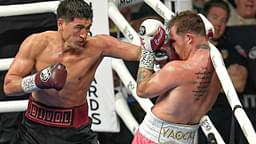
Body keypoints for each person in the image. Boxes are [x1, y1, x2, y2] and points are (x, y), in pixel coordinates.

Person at [3, 0, 168, 143]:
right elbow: (9, 86)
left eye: (88, 28)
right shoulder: (36, 44)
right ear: (61, 24)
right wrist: (38, 81)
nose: (84, 35)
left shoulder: (98, 46)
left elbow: (141, 53)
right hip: (34, 129)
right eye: (78, 28)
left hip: (76, 132)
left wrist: (155, 46)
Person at [132, 10, 221, 144]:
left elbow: (142, 90)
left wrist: (147, 51)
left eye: (173, 41)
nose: (173, 46)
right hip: (186, 139)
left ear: (189, 38)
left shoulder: (178, 69)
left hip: (153, 138)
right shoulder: (218, 67)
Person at [197, 0, 248, 143]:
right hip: (191, 115)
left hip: (221, 114)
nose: (219, 24)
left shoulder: (231, 48)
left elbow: (238, 83)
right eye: (214, 17)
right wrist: (222, 78)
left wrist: (202, 82)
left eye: (223, 20)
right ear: (203, 20)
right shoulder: (189, 46)